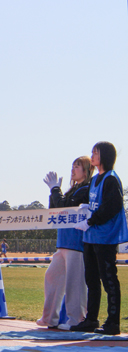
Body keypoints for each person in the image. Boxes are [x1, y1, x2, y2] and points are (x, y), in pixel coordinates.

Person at [71, 142, 128, 335]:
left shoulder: (111, 179)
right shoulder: (95, 179)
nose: (92, 155)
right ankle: (91, 319)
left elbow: (112, 206)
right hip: (90, 236)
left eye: (95, 152)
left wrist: (91, 220)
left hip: (105, 237)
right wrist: (85, 207)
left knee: (109, 280)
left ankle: (113, 323)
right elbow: (93, 202)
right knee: (92, 280)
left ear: (104, 155)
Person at [36, 156, 92, 330]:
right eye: (73, 166)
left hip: (76, 243)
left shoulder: (86, 190)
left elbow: (65, 207)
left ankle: (76, 320)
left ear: (87, 171)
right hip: (63, 242)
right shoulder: (72, 190)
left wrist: (55, 189)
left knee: (75, 284)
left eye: (77, 166)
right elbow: (54, 211)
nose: (73, 170)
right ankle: (49, 318)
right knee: (52, 277)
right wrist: (53, 191)